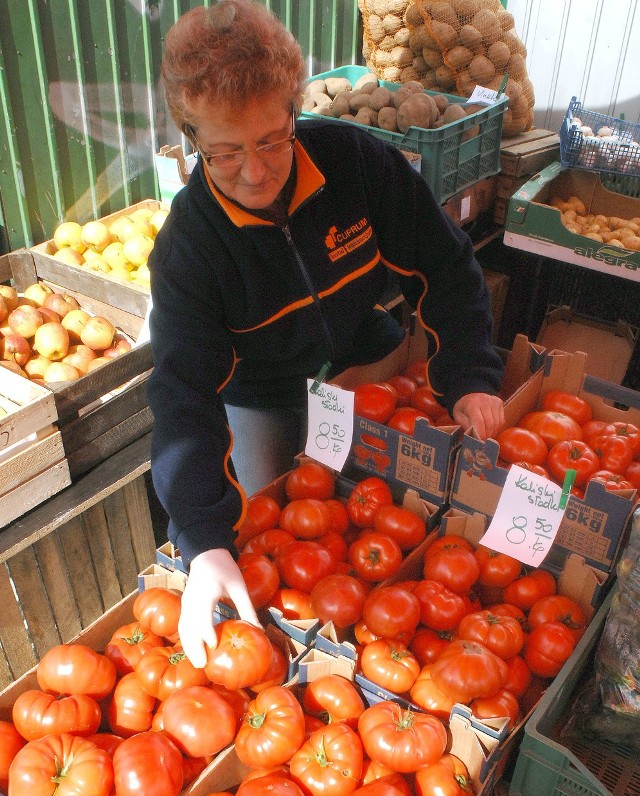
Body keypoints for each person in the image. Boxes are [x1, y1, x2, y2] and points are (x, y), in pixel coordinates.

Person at [147, 0, 505, 669]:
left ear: (295, 113)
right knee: (262, 522)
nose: (254, 171)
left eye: (271, 141)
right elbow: (182, 399)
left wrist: (469, 372)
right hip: (261, 388)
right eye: (223, 153)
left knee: (374, 497)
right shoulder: (190, 249)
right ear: (191, 140)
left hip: (357, 349)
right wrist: (203, 540)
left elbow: (445, 261)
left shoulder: (355, 161)